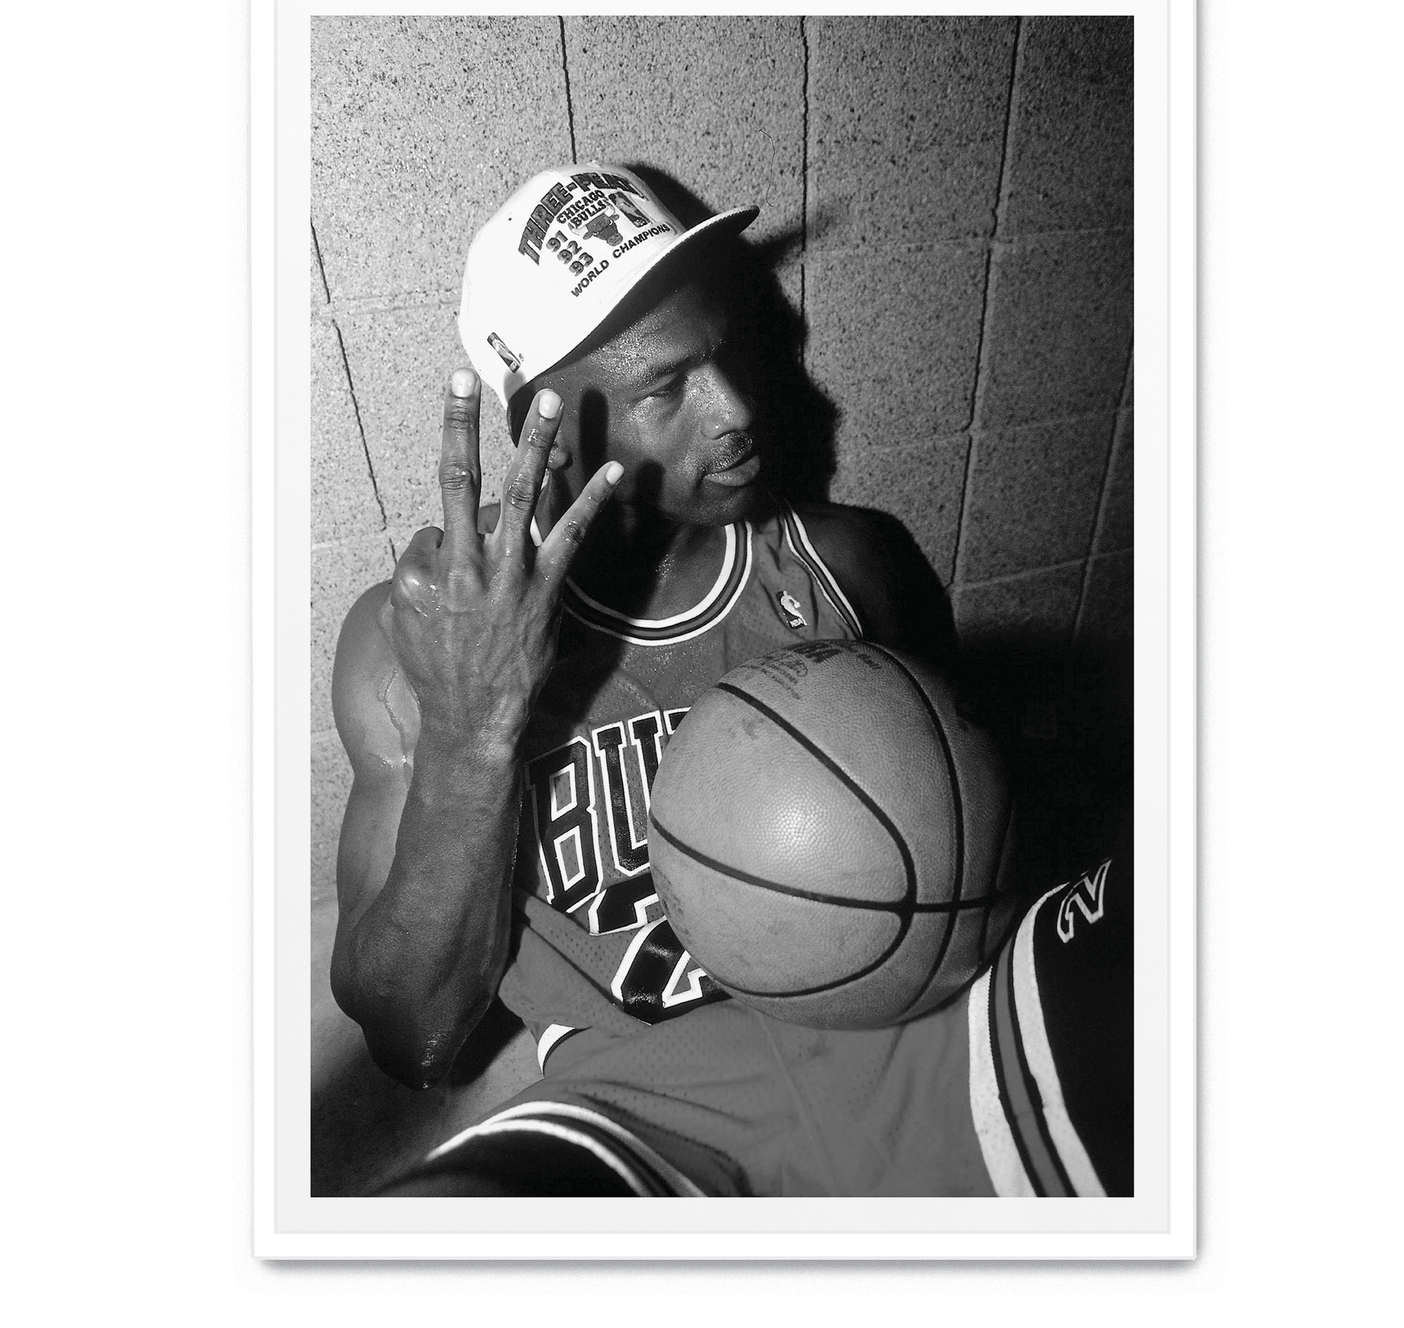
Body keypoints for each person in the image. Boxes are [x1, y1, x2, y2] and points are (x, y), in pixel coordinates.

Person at [330, 164, 1131, 1196]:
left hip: (931, 1030)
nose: (740, 409)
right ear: (550, 434)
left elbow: (985, 830)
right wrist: (472, 727)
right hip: (647, 1103)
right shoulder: (412, 640)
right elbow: (416, 1041)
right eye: (666, 388)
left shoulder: (850, 564)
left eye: (731, 352)